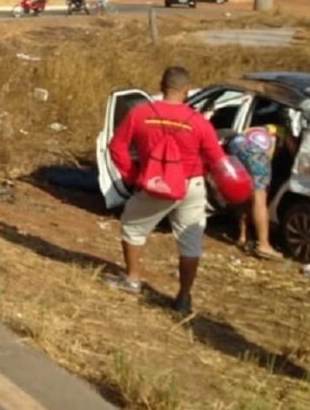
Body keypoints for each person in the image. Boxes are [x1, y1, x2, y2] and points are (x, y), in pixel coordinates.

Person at [106, 66, 227, 316]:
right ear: (186, 90)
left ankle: (132, 277)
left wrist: (133, 176)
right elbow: (217, 159)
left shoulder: (140, 114)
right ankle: (183, 297)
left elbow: (116, 147)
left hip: (155, 182)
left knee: (133, 226)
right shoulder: (199, 122)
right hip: (191, 185)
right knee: (190, 242)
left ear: (162, 87)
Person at [226, 125, 286, 260]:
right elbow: (294, 151)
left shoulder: (262, 127)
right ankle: (264, 245)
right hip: (256, 153)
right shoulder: (285, 131)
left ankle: (242, 237)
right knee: (259, 199)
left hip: (236, 145)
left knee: (247, 194)